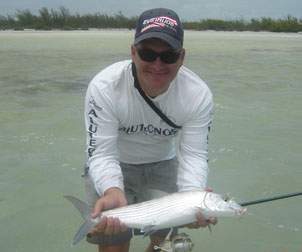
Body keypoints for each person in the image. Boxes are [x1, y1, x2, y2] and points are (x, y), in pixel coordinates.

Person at [84, 8, 216, 252]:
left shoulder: (198, 95)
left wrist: (192, 198)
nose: (157, 64)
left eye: (168, 56)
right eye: (147, 53)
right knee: (114, 245)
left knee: (163, 246)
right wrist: (112, 189)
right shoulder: (104, 87)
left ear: (182, 57)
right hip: (114, 167)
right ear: (133, 52)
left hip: (163, 167)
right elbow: (101, 153)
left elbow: (194, 155)